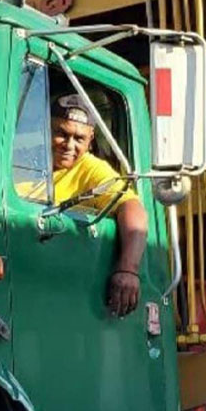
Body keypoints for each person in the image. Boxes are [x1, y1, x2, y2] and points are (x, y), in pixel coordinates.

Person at [50, 94, 148, 318]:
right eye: (61, 134)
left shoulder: (92, 169)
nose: (69, 145)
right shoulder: (23, 160)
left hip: (69, 288)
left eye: (79, 138)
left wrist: (128, 269)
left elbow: (131, 206)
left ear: (90, 139)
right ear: (46, 129)